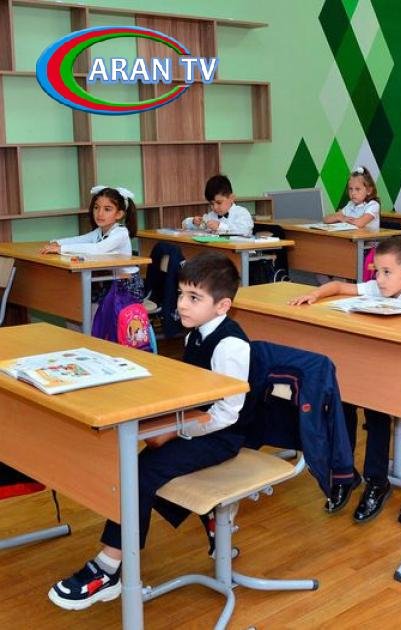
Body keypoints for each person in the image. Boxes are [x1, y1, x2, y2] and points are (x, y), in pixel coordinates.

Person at [49, 252, 254, 611]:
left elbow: (227, 413)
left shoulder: (230, 345)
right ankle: (209, 519)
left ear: (222, 306)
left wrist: (175, 431)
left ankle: (109, 568)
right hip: (195, 426)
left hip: (222, 436)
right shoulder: (196, 334)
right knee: (136, 464)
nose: (182, 304)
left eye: (194, 298)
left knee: (140, 473)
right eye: (181, 294)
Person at [288, 236, 401, 522]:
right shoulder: (378, 286)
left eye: (387, 272)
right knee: (344, 401)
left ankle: (377, 481)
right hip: (375, 365)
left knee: (376, 412)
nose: (379, 279)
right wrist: (316, 294)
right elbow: (339, 287)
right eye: (377, 271)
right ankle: (345, 473)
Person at [39, 185, 144, 303]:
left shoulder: (121, 233)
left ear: (119, 214)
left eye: (107, 209)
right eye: (96, 207)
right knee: (72, 295)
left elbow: (98, 249)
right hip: (107, 281)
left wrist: (61, 249)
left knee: (79, 298)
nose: (100, 213)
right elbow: (81, 239)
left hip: (126, 286)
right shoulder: (100, 231)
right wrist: (56, 242)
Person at [181, 174, 254, 236]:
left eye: (219, 202)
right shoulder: (211, 216)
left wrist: (220, 226)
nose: (215, 207)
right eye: (211, 204)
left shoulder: (242, 213)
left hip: (238, 248)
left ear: (231, 198)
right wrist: (193, 222)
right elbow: (184, 225)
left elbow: (244, 230)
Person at [324, 166, 381, 231]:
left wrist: (344, 219)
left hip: (368, 237)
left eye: (357, 189)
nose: (353, 193)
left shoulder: (373, 205)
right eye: (350, 189)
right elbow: (326, 219)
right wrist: (339, 217)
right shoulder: (350, 204)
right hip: (352, 236)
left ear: (369, 191)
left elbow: (360, 223)